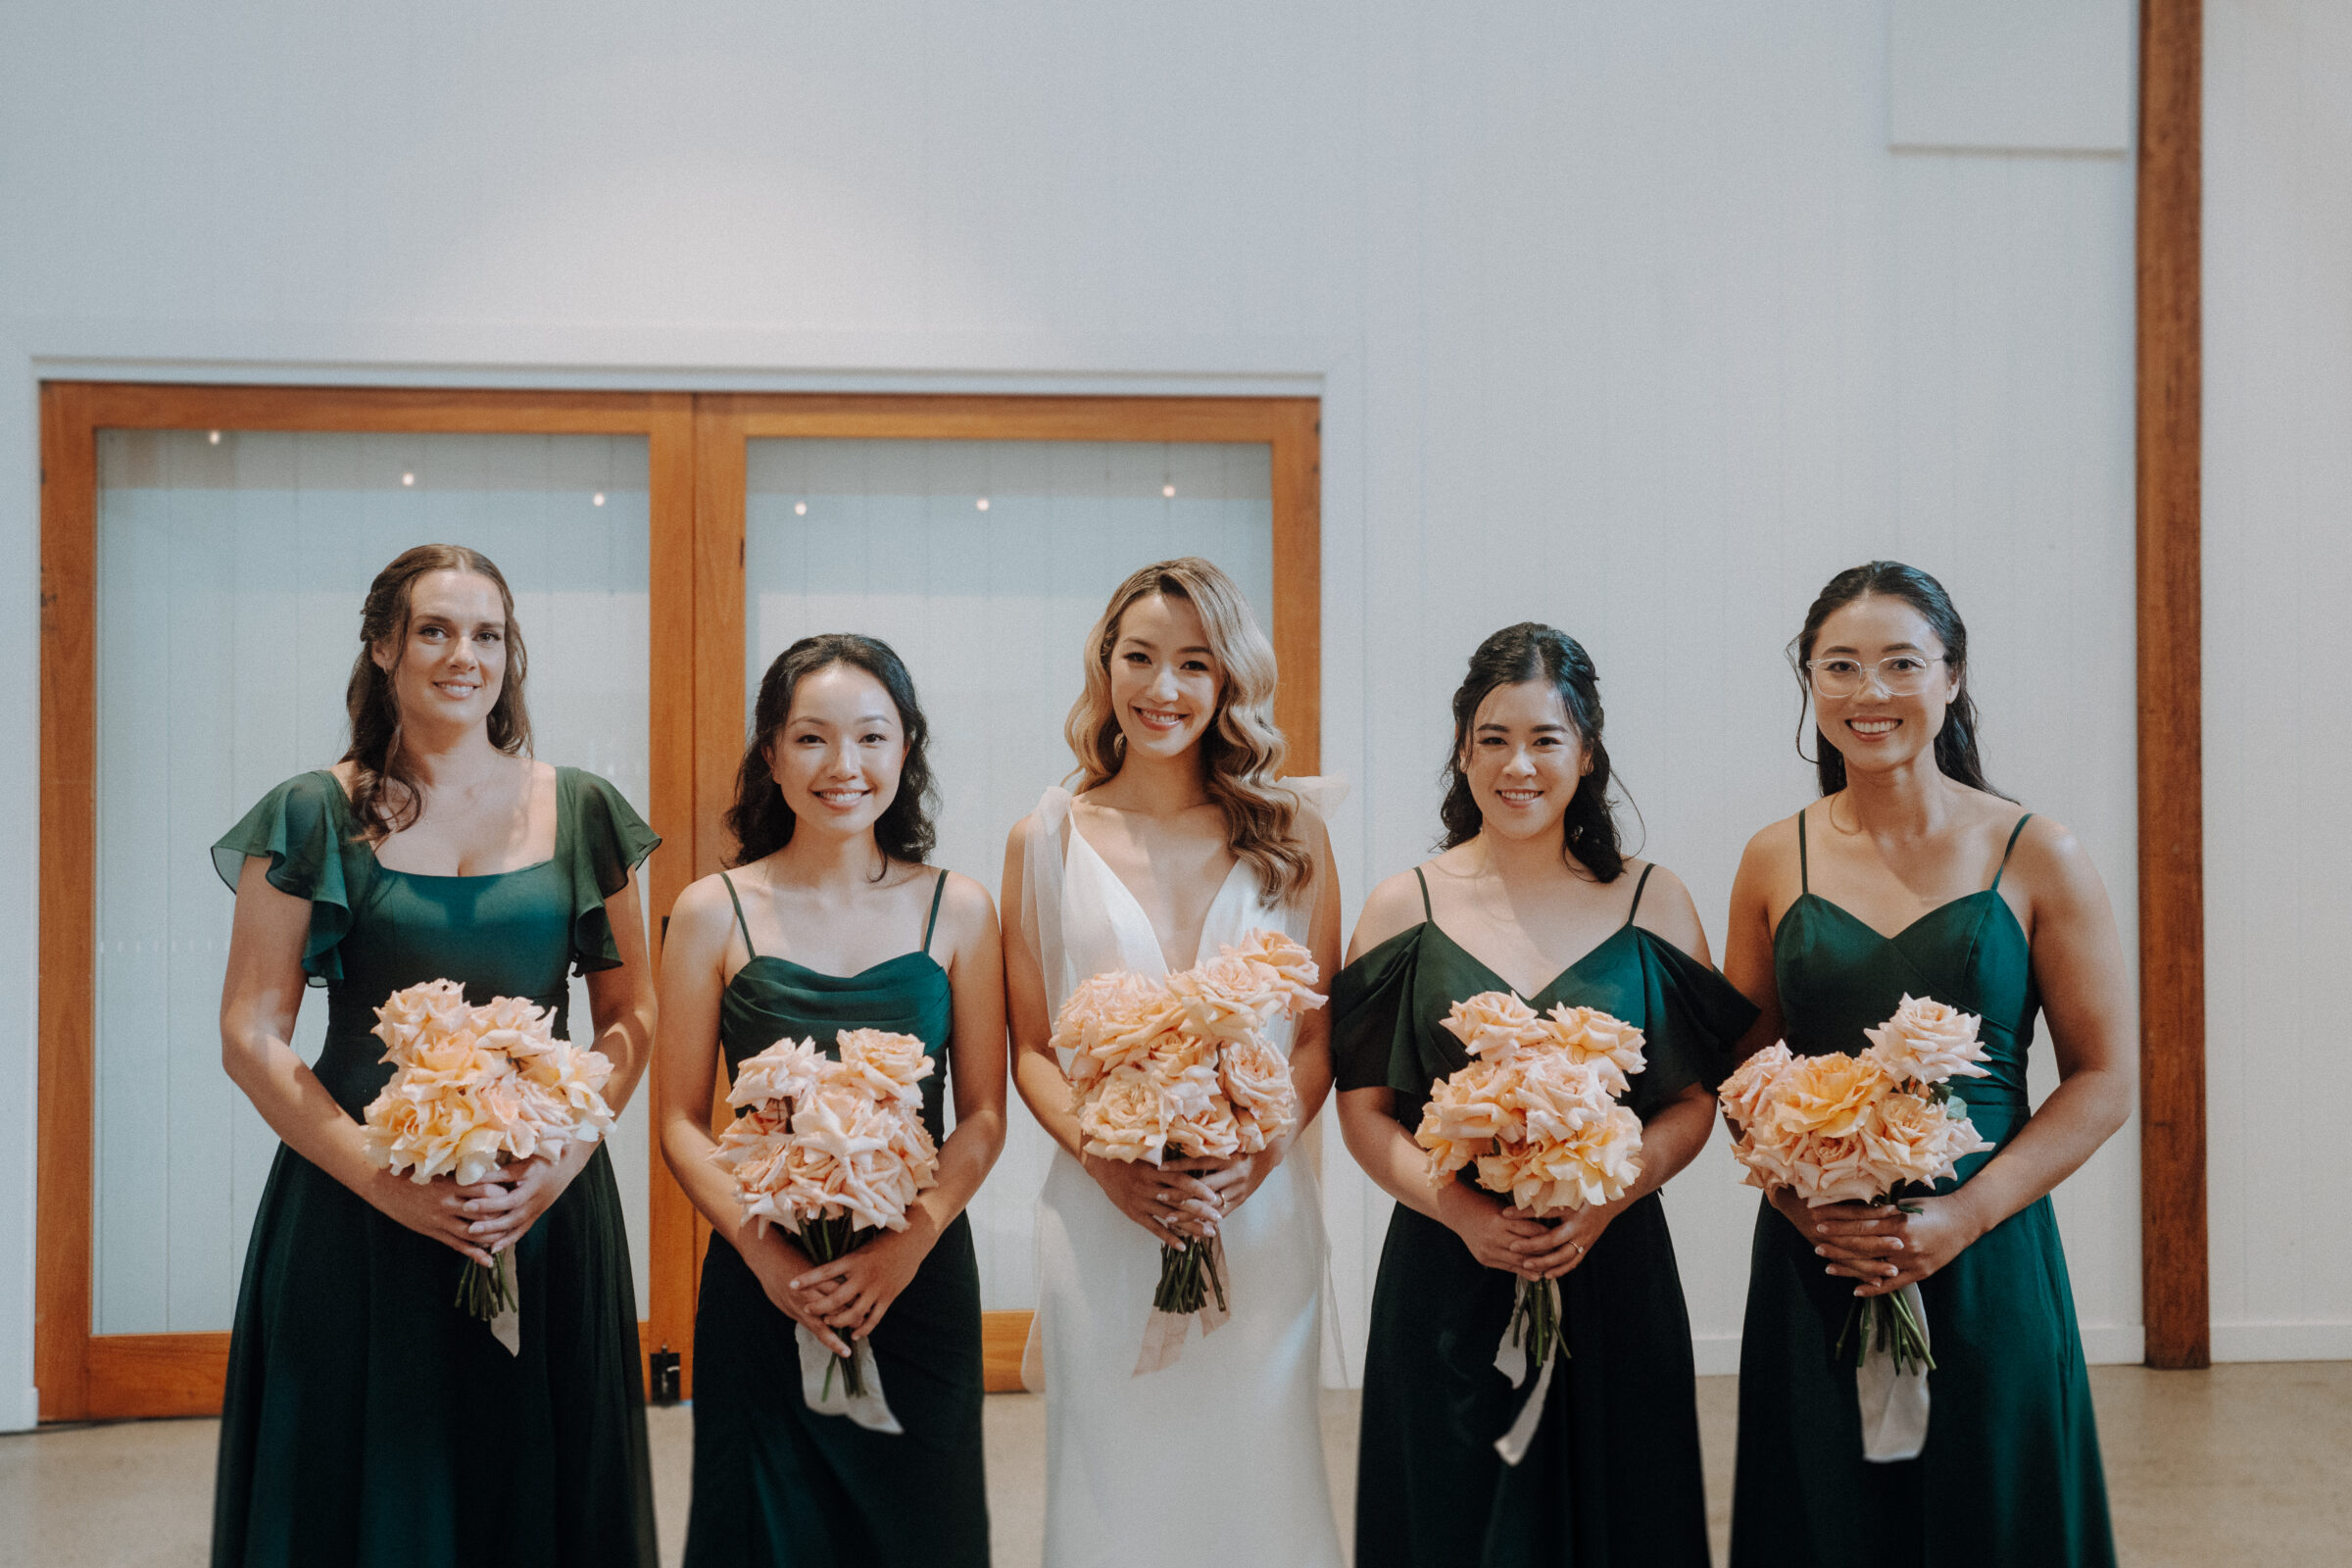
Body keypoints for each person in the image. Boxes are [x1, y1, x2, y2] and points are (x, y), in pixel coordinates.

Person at [212, 544, 659, 1568]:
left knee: (526, 1485)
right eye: (435, 629)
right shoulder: (311, 812)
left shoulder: (585, 808)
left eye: (489, 633)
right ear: (383, 646)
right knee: (371, 1485)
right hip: (356, 1204)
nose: (466, 654)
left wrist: (560, 1163)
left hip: (540, 1202)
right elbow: (250, 1031)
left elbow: (633, 1017)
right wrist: (386, 1181)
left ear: (511, 655)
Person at [1725, 561, 2131, 1567]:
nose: (1871, 692)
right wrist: (1804, 1202)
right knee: (1828, 1521)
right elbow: (1742, 1071)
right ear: (1809, 684)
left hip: (1988, 1254)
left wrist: (1962, 1217)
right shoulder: (1775, 858)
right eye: (1841, 666)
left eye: (1902, 663)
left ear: (1951, 678)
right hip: (1821, 1255)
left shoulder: (2039, 853)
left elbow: (2105, 1075)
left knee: (1991, 1516)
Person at [1332, 621, 1754, 1568]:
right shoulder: (1407, 906)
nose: (1518, 765)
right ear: (1462, 751)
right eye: (1493, 739)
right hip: (1448, 1266)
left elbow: (1692, 1103)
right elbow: (1362, 1112)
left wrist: (1611, 1192)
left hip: (1613, 1262)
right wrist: (1463, 1213)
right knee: (1452, 1519)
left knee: (1620, 1517)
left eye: (1545, 739)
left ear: (1588, 754)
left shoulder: (1655, 902)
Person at [1003, 558, 1345, 1568]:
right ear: (1104, 667)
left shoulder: (1295, 835)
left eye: (1194, 664)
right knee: (1113, 1477)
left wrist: (1263, 1153)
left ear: (1230, 679)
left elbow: (1317, 1041)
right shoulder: (1047, 836)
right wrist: (1106, 1157)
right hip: (1104, 1210)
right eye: (1140, 657)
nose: (1163, 688)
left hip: (1259, 1207)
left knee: (1260, 1477)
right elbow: (1029, 1045)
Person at [659, 634, 1005, 1567]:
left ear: (906, 750)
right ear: (770, 754)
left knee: (923, 1526)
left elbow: (982, 1115)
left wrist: (908, 1244)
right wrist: (767, 1257)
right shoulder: (710, 910)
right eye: (811, 739)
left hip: (919, 1273)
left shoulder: (959, 908)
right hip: (761, 1274)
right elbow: (680, 1123)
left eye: (871, 738)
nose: (843, 767)